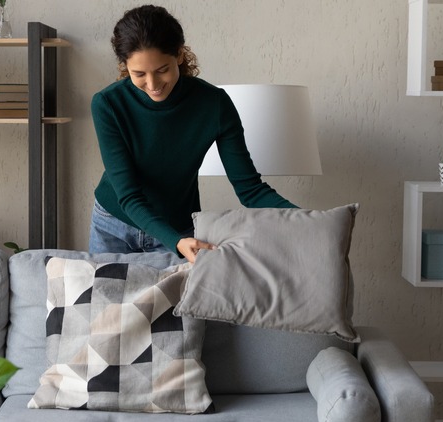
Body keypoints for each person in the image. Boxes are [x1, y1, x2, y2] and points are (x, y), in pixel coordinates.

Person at [89, 4, 297, 263]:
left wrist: (309, 220)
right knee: (104, 305)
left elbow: (250, 189)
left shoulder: (214, 104)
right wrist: (175, 241)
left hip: (178, 229)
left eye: (162, 69)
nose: (152, 85)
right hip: (113, 224)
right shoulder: (108, 104)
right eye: (139, 74)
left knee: (176, 305)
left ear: (178, 54)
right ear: (125, 66)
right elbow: (129, 196)